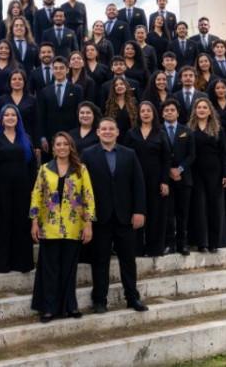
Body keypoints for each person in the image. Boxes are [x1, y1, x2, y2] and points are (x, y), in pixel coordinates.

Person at [82, 118, 148, 314]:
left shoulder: (129, 154)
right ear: (98, 132)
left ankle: (132, 298)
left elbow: (138, 184)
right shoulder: (88, 154)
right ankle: (100, 300)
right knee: (100, 260)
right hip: (100, 218)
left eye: (111, 128)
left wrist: (139, 211)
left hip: (125, 217)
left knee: (128, 260)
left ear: (118, 132)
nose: (108, 132)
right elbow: (83, 188)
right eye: (104, 129)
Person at [30, 132, 95, 322]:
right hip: (48, 227)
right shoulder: (44, 169)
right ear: (53, 147)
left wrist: (88, 224)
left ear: (71, 147)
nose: (62, 147)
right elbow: (36, 196)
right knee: (50, 269)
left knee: (69, 268)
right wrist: (34, 221)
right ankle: (49, 308)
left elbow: (88, 197)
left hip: (73, 226)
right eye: (58, 144)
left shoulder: (81, 170)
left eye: (65, 144)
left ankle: (70, 306)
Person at [0, 104, 38, 274]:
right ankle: (1, 263)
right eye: (6, 115)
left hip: (23, 189)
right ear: (1, 119)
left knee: (22, 224)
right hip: (1, 190)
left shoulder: (26, 138)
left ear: (18, 119)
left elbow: (32, 166)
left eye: (13, 115)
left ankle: (21, 262)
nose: (10, 117)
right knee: (2, 225)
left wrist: (33, 188)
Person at [124, 101, 172, 257]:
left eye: (148, 111)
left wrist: (165, 181)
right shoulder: (131, 133)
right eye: (142, 111)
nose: (145, 113)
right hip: (135, 180)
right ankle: (136, 248)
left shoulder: (161, 133)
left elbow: (166, 159)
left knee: (156, 214)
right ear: (138, 114)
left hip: (156, 180)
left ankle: (155, 248)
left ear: (153, 114)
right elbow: (125, 158)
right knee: (136, 212)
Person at [188, 97, 226, 253]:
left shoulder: (218, 128)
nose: (201, 110)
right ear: (195, 110)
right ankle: (202, 242)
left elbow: (225, 154)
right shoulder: (189, 129)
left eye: (204, 107)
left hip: (215, 173)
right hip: (196, 173)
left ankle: (214, 242)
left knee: (215, 207)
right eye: (199, 107)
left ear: (209, 111)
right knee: (199, 208)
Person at [161, 99, 195, 256]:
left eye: (172, 110)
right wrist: (169, 170)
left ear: (178, 113)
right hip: (166, 179)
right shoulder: (158, 131)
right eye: (166, 110)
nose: (169, 112)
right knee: (168, 213)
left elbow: (192, 155)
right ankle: (169, 243)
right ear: (162, 113)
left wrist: (179, 169)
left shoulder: (186, 131)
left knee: (183, 213)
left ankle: (183, 243)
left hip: (184, 178)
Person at [37, 57, 82, 156]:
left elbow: (79, 113)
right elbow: (41, 116)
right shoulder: (45, 91)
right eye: (56, 68)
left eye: (61, 68)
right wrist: (42, 137)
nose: (58, 71)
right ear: (52, 70)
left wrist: (78, 134)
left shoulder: (77, 89)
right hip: (50, 137)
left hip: (71, 134)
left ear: (67, 70)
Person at [0, 68, 39, 145]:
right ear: (9, 82)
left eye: (20, 79)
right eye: (14, 79)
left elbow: (36, 123)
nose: (17, 81)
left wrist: (37, 145)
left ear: (24, 82)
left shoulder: (32, 100)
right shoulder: (2, 100)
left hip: (27, 139)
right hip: (6, 139)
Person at [104, 75, 138, 141]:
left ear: (126, 86)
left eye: (121, 84)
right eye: (116, 85)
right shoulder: (109, 104)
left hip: (131, 138)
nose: (119, 86)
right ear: (113, 88)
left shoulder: (134, 102)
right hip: (114, 138)